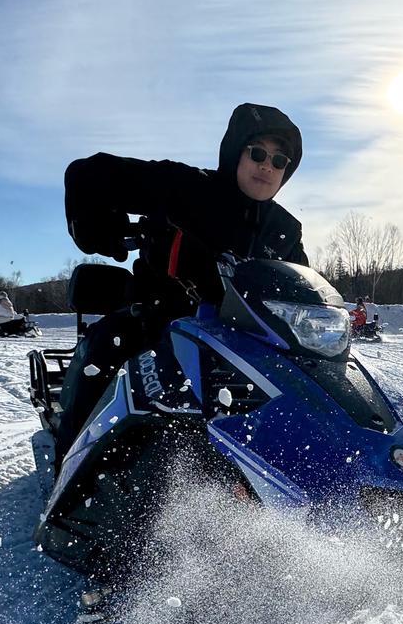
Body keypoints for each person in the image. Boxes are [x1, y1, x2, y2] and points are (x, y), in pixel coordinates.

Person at [55, 102, 306, 462]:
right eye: (257, 153)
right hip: (155, 325)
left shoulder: (285, 232)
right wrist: (95, 229)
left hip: (249, 345)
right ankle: (68, 479)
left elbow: (303, 292)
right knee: (103, 356)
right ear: (237, 152)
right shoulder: (186, 187)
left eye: (279, 161)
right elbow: (88, 175)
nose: (267, 165)